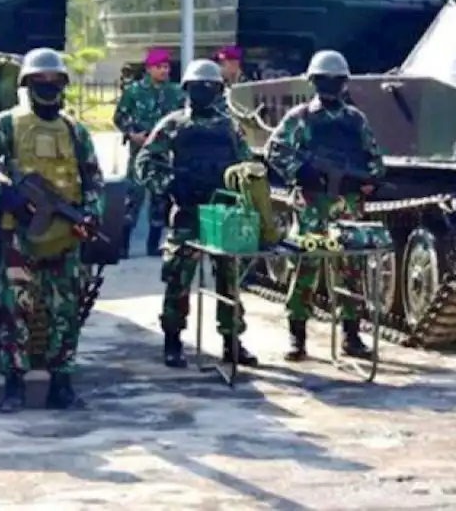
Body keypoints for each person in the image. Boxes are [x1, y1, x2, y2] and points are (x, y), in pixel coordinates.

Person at [0, 48, 105, 412]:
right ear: (27, 85)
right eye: (41, 82)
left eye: (55, 82)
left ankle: (62, 384)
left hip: (66, 238)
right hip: (21, 241)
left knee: (65, 314)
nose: (49, 87)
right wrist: (4, 196)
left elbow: (93, 180)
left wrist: (89, 217)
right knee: (15, 313)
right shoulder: (6, 125)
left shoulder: (75, 130)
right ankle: (13, 386)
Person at [135, 59, 257, 369]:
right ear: (187, 89)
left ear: (218, 90)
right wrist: (170, 184)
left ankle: (232, 342)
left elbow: (247, 168)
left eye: (210, 87)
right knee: (178, 278)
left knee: (230, 280)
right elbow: (146, 162)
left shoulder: (230, 126)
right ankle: (173, 341)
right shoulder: (173, 124)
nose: (204, 91)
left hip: (223, 213)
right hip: (188, 213)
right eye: (198, 87)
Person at [265, 49, 382, 362]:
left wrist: (364, 179)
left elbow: (376, 161)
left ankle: (351, 335)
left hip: (347, 206)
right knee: (304, 268)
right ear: (313, 82)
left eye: (335, 80)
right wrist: (300, 171)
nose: (330, 85)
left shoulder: (356, 120)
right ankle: (297, 336)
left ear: (344, 83)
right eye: (324, 80)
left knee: (351, 271)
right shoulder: (300, 118)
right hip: (311, 207)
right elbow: (274, 150)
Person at [113, 48, 184, 257]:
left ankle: (153, 246)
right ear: (149, 69)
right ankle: (123, 245)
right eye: (159, 67)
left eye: (166, 67)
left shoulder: (175, 92)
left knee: (159, 201)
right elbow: (119, 117)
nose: (164, 71)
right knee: (132, 199)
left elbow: (182, 117)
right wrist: (133, 134)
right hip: (139, 154)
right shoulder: (134, 92)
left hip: (162, 157)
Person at [213, 46, 243, 116]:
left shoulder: (245, 85)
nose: (219, 67)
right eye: (219, 63)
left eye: (223, 64)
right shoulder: (215, 83)